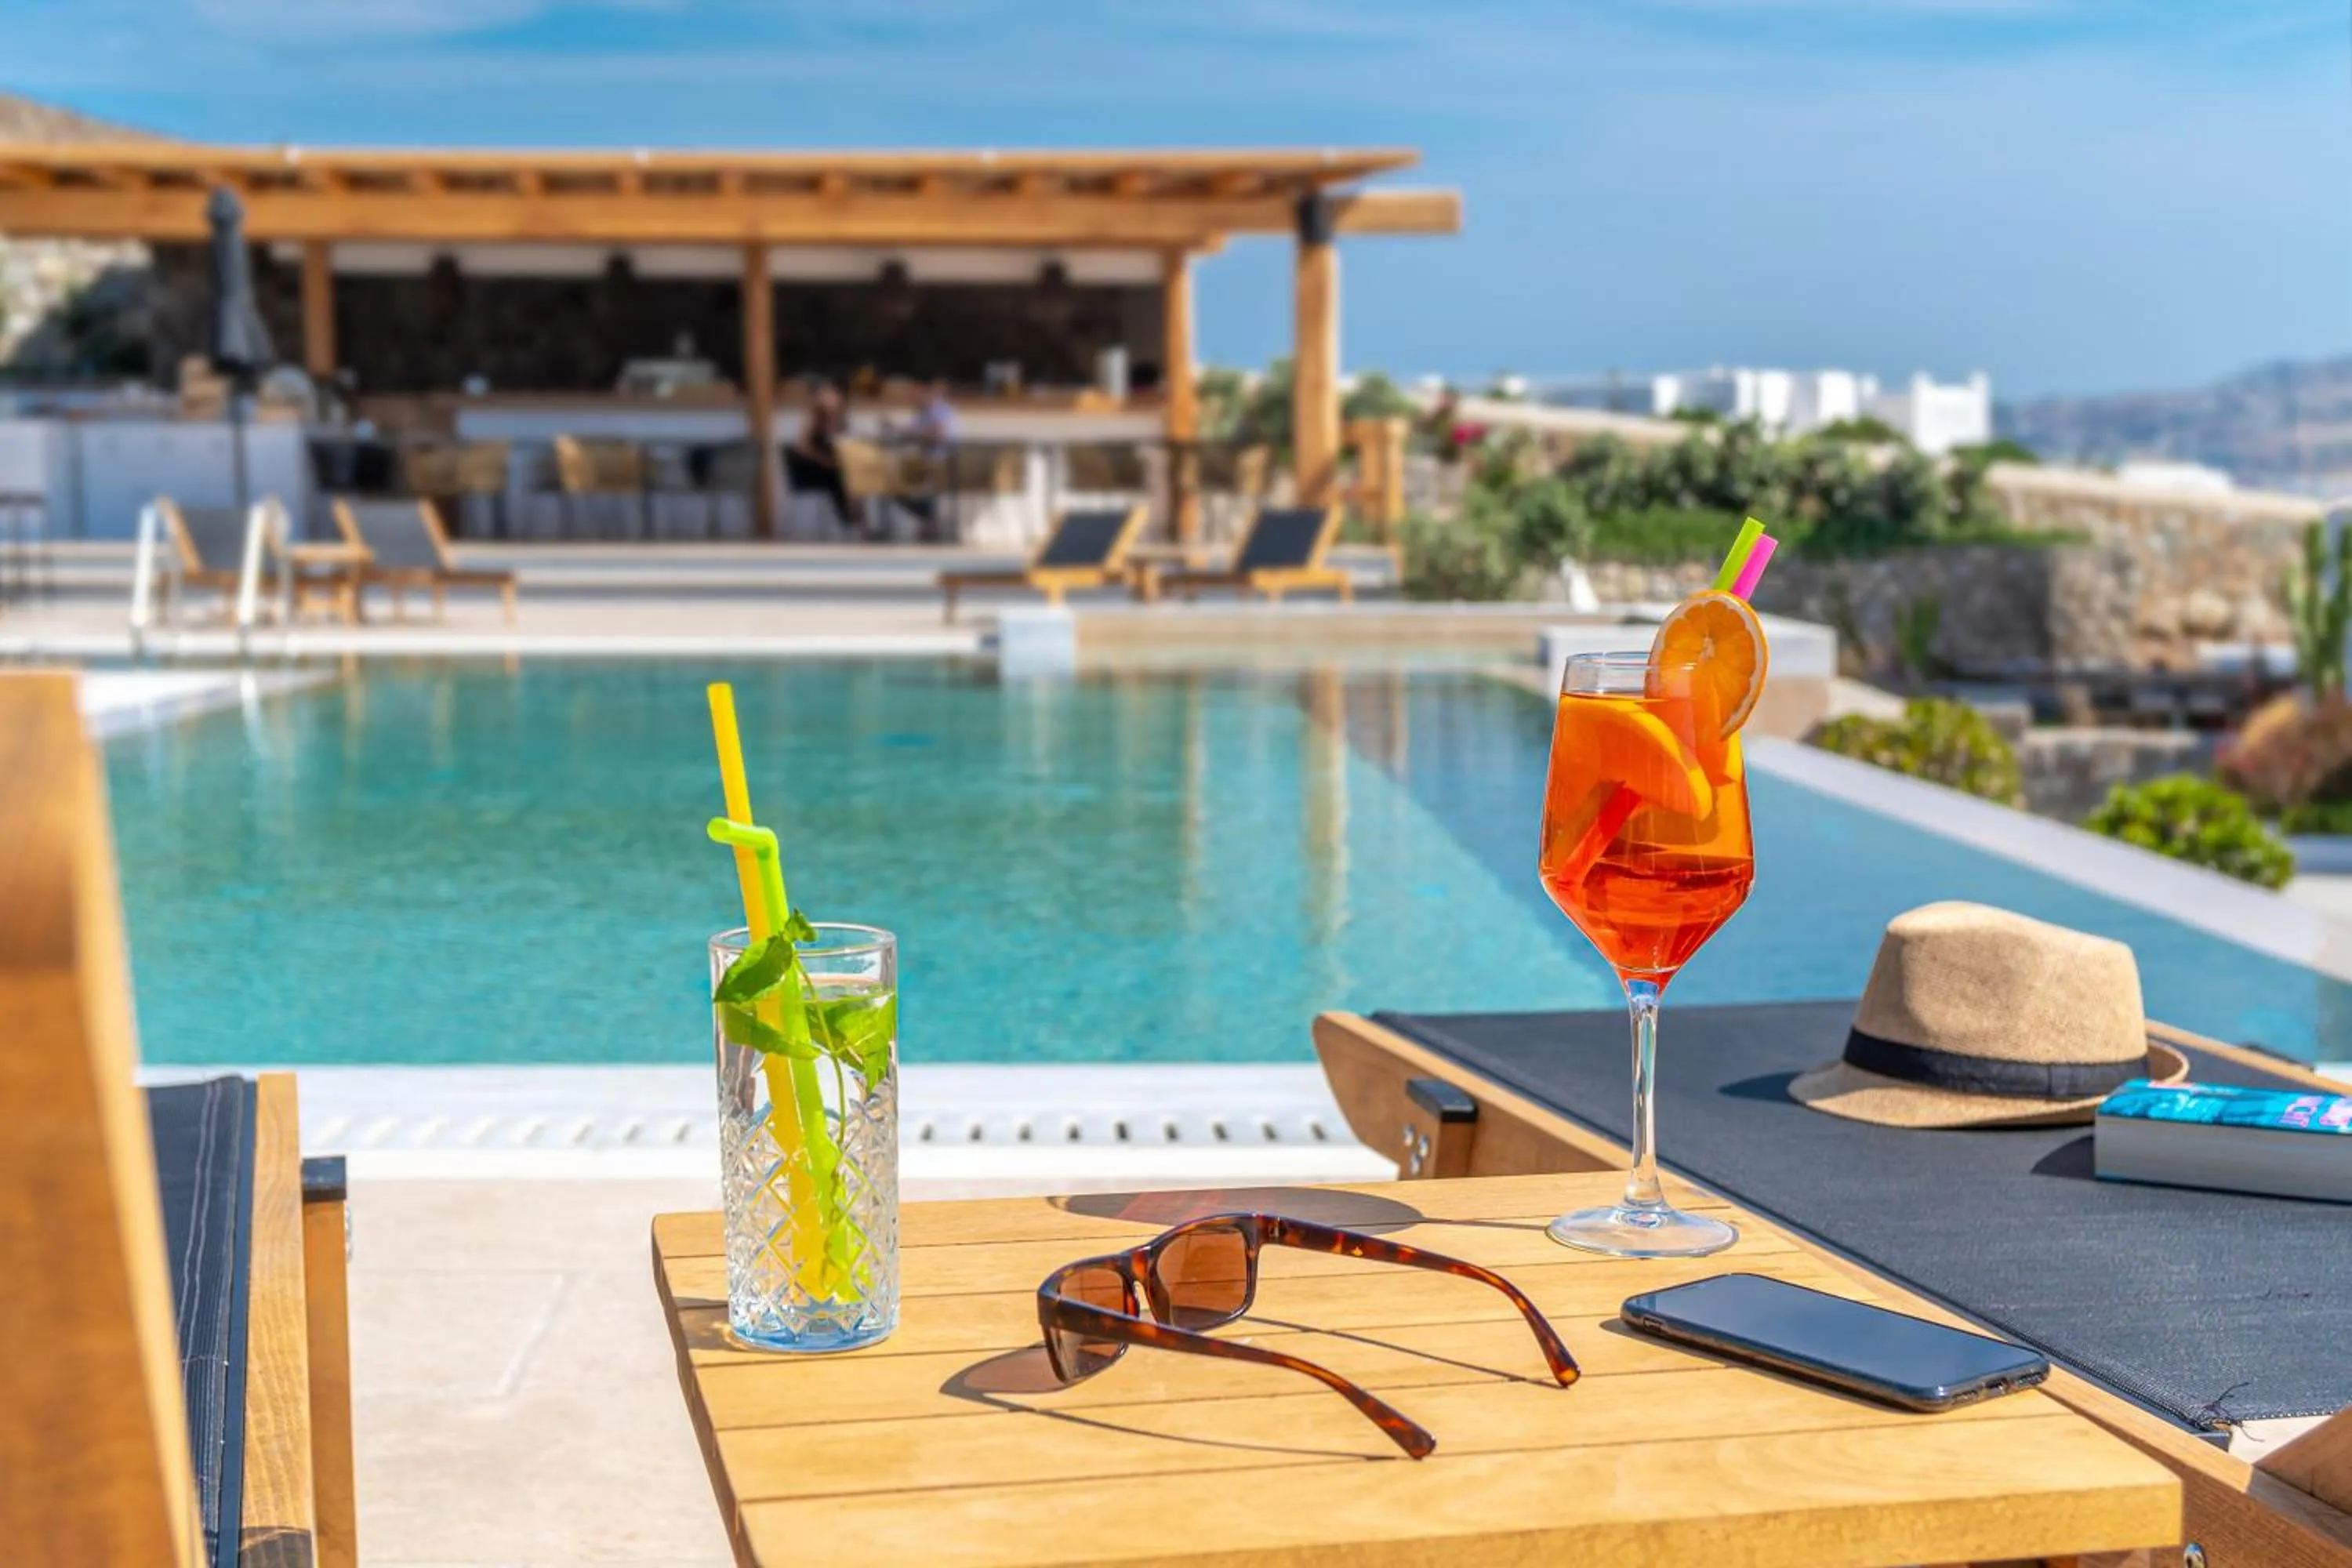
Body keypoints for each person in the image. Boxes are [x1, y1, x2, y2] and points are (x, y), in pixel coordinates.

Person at [787, 380, 853, 533]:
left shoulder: (839, 419)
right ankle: (851, 521)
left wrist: (834, 417)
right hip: (809, 467)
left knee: (849, 475)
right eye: (826, 395)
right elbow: (802, 447)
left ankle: (854, 521)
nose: (829, 399)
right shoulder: (812, 419)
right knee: (840, 477)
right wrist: (823, 461)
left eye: (833, 396)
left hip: (830, 467)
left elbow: (842, 444)